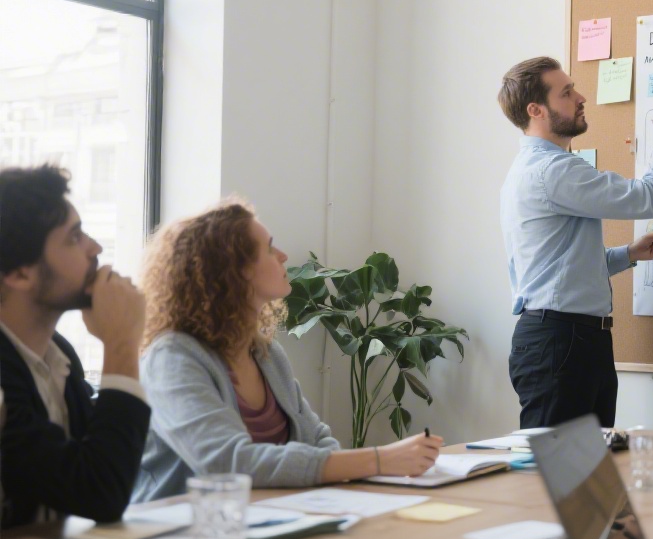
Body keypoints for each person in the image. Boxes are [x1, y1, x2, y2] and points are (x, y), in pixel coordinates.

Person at [133, 200, 443, 501]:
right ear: (232, 271)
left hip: (268, 521)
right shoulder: (171, 359)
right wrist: (379, 459)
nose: (282, 256)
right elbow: (227, 463)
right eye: (268, 248)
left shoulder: (266, 354)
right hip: (180, 535)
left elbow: (318, 442)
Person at [499, 56, 653, 428]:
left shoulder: (537, 169)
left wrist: (628, 254)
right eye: (567, 92)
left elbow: (560, 267)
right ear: (536, 110)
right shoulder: (552, 171)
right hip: (562, 340)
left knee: (586, 476)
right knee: (560, 477)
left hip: (574, 339)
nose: (581, 97)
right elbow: (649, 198)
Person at [0, 165, 150, 528]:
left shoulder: (59, 356)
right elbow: (100, 492)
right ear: (21, 273)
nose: (95, 248)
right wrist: (120, 343)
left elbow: (95, 471)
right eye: (74, 238)